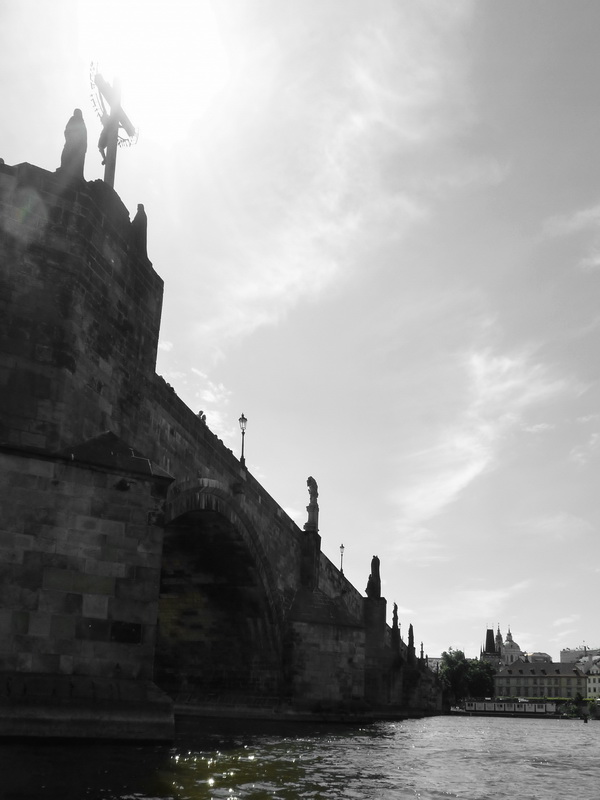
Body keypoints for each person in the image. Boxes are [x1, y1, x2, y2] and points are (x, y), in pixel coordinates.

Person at [59, 109, 87, 181]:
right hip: (70, 143)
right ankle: (63, 169)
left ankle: (75, 174)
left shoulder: (82, 124)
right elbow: (67, 130)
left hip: (78, 147)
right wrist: (69, 138)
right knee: (65, 156)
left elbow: (84, 138)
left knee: (75, 161)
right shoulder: (72, 119)